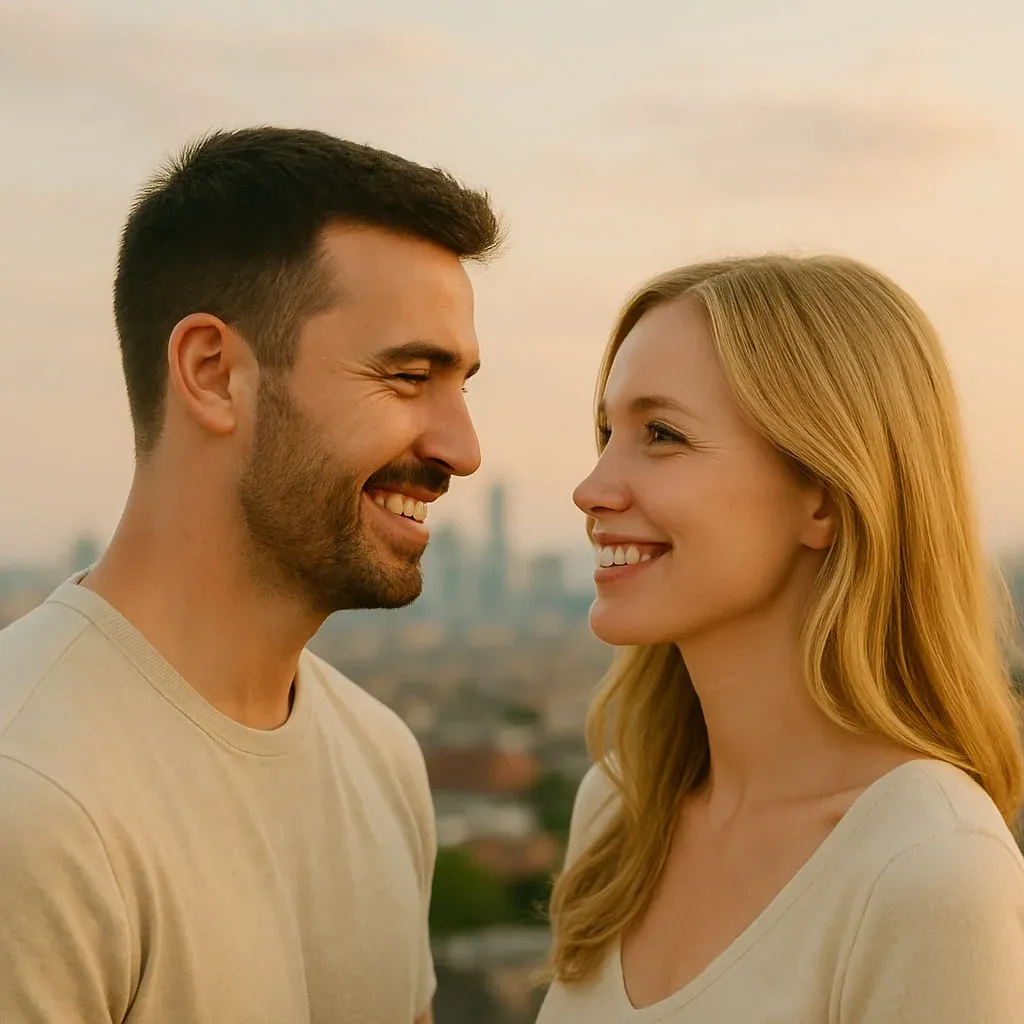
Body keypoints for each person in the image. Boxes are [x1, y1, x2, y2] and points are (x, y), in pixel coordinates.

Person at [0, 127, 501, 1023]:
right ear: (213, 372)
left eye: (461, 383)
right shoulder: (32, 802)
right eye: (408, 375)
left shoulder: (382, 755)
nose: (461, 448)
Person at [537, 255, 1024, 1022]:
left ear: (824, 498)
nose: (591, 488)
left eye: (661, 434)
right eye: (607, 431)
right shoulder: (618, 811)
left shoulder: (930, 871)